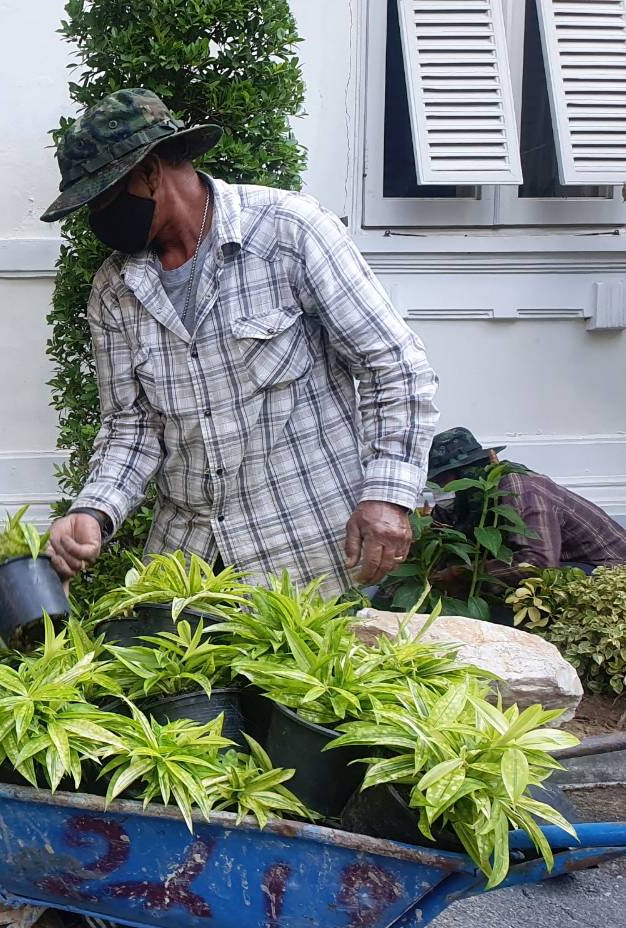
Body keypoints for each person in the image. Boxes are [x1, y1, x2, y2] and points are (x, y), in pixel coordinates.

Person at [39, 89, 439, 593]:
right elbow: (131, 425)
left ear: (150, 171)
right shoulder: (116, 289)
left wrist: (387, 493)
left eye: (103, 198)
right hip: (189, 569)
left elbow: (393, 365)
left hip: (311, 556)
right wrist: (93, 510)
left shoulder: (288, 232)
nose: (98, 217)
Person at [427, 427, 626, 579]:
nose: (438, 490)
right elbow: (442, 542)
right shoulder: (463, 500)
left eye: (442, 481)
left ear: (466, 473)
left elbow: (538, 564)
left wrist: (462, 575)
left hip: (607, 573)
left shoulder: (522, 490)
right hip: (560, 563)